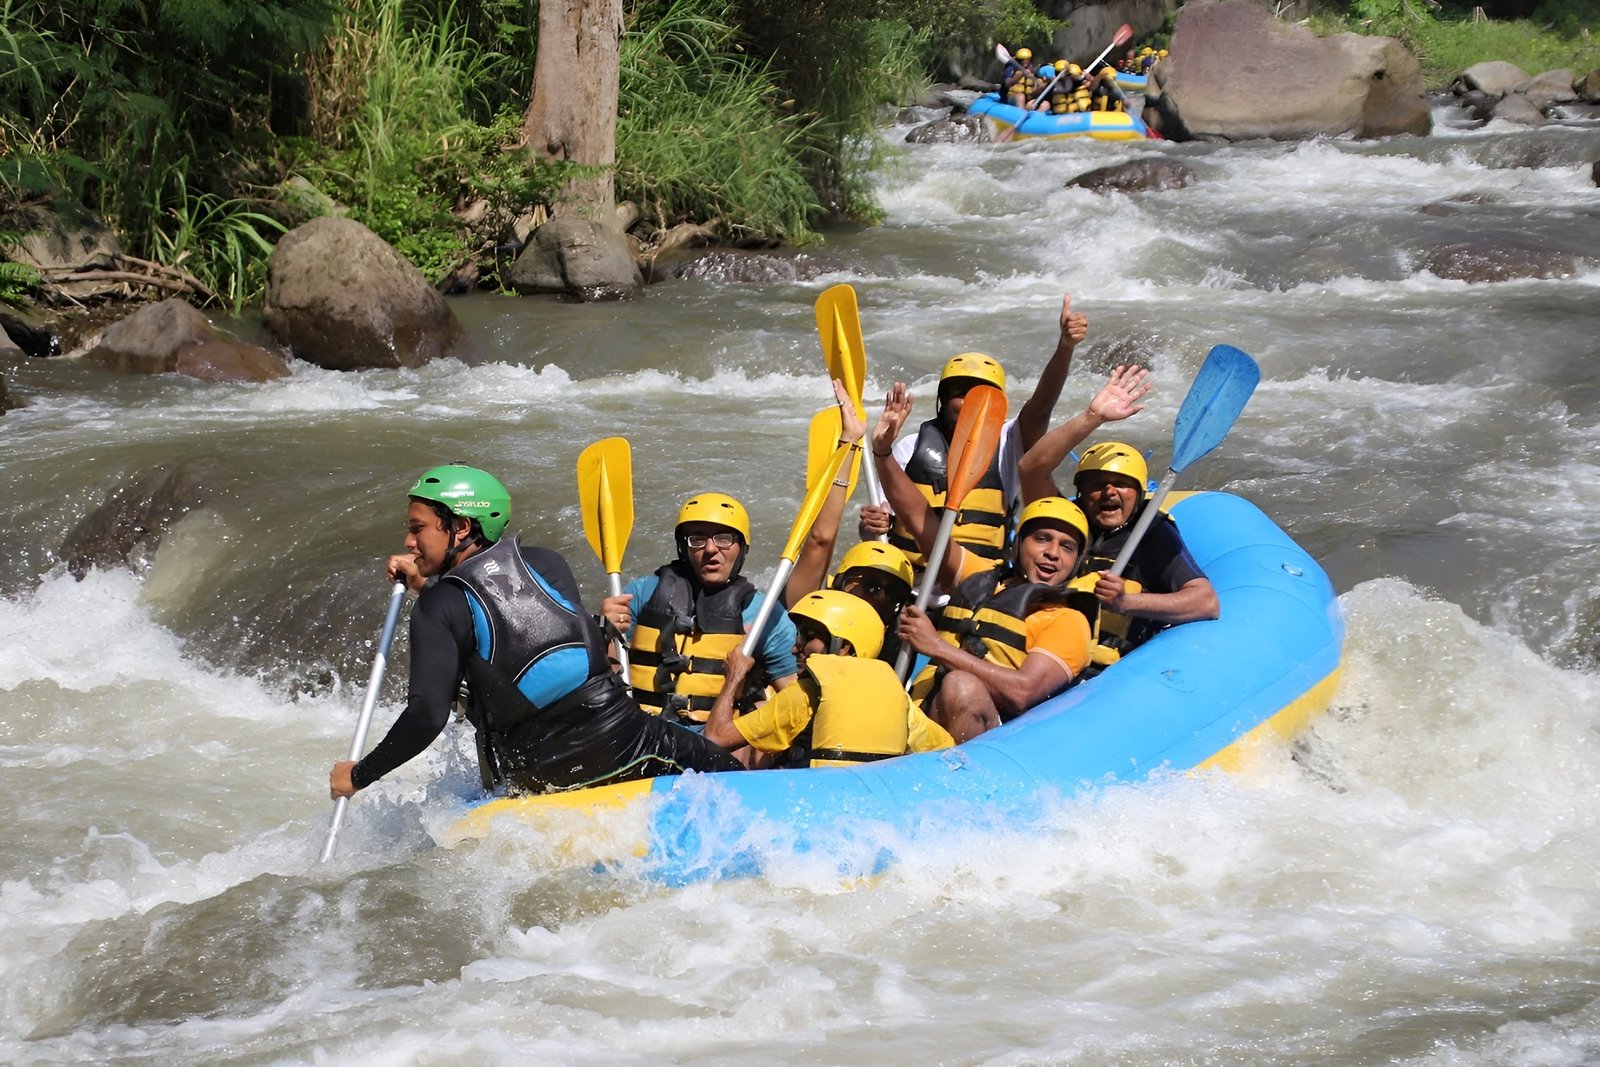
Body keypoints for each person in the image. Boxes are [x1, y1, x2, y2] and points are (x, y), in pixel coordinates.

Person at [328, 465, 741, 803]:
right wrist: (427, 586)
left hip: (534, 773)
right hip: (623, 744)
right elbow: (539, 634)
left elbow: (426, 716)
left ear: (460, 527)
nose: (409, 540)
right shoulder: (546, 563)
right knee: (732, 774)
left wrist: (360, 775)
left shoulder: (438, 608)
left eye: (418, 528)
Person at [875, 293, 1089, 583]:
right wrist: (874, 523)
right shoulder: (908, 447)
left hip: (979, 587)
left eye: (983, 396)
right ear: (943, 399)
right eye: (962, 394)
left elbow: (1040, 407)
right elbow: (885, 518)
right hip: (911, 586)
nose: (970, 405)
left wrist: (1065, 347)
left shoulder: (1007, 443)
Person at [1018, 429, 1220, 666]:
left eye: (1122, 484)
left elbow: (1206, 602)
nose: (1109, 492)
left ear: (1139, 494)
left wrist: (1125, 602)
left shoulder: (1152, 532)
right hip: (1041, 640)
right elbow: (1031, 470)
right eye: (1098, 484)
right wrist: (1093, 418)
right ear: (1082, 493)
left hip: (1105, 663)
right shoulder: (1068, 522)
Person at [600, 492, 798, 729]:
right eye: (697, 539)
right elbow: (605, 676)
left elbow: (792, 697)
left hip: (719, 743)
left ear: (742, 548)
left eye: (724, 538)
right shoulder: (642, 594)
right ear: (683, 547)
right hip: (643, 733)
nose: (711, 549)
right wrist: (603, 632)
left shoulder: (765, 614)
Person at [704, 590, 953, 767]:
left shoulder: (806, 694)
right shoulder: (899, 700)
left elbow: (715, 737)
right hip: (871, 808)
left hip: (812, 805)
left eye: (808, 637)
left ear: (843, 647)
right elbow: (945, 751)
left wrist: (734, 677)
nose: (795, 648)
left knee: (753, 753)